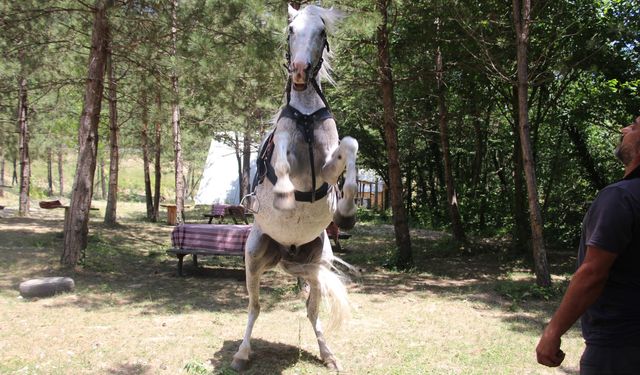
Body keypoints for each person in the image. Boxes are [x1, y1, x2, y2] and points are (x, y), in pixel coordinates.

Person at [536, 116, 640, 374]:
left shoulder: (620, 197)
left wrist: (553, 331)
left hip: (618, 347)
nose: (624, 128)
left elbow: (593, 273)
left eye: (635, 126)